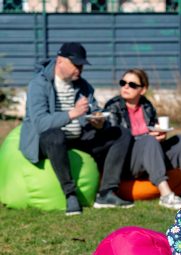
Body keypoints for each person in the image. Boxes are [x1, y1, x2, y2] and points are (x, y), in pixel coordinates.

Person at [19, 42, 134, 215]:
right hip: (47, 140)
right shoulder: (39, 84)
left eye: (81, 66)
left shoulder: (83, 85)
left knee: (121, 133)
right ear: (60, 61)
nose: (79, 70)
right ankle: (70, 194)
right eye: (76, 65)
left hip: (78, 137)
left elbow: (94, 110)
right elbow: (40, 123)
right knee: (55, 135)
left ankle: (107, 192)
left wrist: (98, 122)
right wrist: (72, 113)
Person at [104, 68, 181, 210]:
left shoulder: (146, 106)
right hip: (127, 161)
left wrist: (161, 136)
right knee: (149, 140)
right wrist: (147, 138)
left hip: (150, 157)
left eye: (132, 84)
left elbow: (152, 132)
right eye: (123, 83)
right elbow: (116, 140)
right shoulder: (113, 107)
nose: (126, 87)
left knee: (180, 141)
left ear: (143, 89)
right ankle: (166, 195)